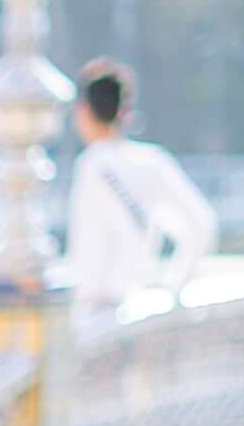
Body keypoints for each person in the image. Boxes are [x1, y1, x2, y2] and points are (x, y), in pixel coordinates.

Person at [65, 61, 217, 331]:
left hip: (97, 315)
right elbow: (202, 225)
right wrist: (174, 288)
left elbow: (134, 227)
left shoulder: (95, 164)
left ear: (83, 111)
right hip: (133, 312)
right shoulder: (153, 161)